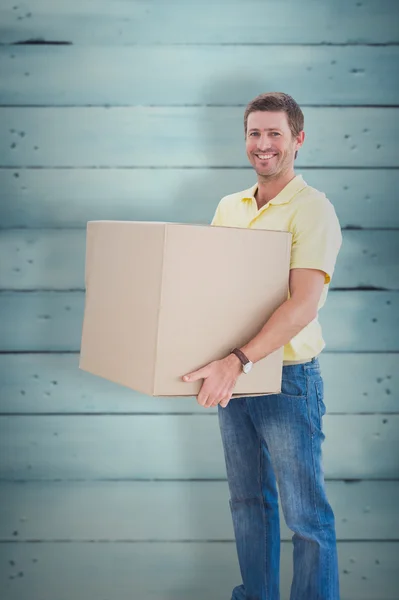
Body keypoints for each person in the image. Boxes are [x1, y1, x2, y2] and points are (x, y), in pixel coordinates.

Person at [182, 92, 342, 599]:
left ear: (298, 140)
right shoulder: (229, 207)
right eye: (255, 133)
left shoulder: (312, 209)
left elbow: (302, 305)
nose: (263, 144)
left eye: (275, 133)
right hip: (233, 378)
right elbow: (211, 289)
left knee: (306, 517)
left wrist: (238, 360)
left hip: (287, 380)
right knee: (248, 501)